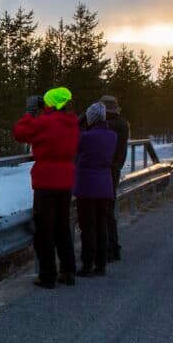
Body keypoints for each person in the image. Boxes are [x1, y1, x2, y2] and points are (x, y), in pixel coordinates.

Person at [13, 87, 80, 288]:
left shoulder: (44, 122)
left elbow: (20, 133)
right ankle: (68, 271)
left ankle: (47, 274)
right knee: (62, 227)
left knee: (44, 230)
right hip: (66, 179)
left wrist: (29, 113)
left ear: (49, 104)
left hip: (46, 181)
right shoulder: (73, 122)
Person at [74, 102, 117, 276]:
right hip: (105, 184)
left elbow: (74, 144)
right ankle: (101, 264)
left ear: (90, 118)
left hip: (87, 186)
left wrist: (79, 122)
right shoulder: (112, 136)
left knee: (87, 226)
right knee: (101, 225)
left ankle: (87, 264)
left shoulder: (86, 137)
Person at [101, 95, 129, 261]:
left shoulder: (109, 125)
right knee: (108, 209)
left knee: (104, 211)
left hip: (106, 171)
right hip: (115, 169)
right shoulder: (122, 124)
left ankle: (110, 248)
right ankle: (113, 246)